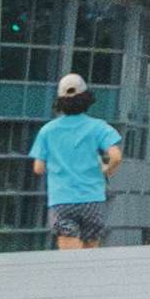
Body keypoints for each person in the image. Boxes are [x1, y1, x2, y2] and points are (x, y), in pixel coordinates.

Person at [33, 72, 125, 250]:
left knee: (69, 257)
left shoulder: (47, 131)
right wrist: (107, 169)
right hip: (92, 199)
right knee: (90, 254)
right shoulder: (98, 126)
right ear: (86, 99)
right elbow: (116, 156)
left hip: (61, 200)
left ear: (60, 101)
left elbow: (38, 168)